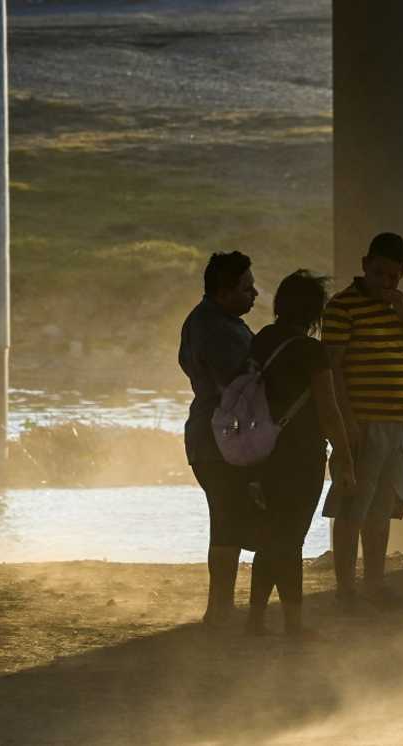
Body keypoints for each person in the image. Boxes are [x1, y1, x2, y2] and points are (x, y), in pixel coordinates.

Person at [321, 233, 403, 611]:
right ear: (365, 263)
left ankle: (374, 585)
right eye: (378, 272)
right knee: (353, 508)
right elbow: (332, 369)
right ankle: (346, 591)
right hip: (363, 423)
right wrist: (346, 422)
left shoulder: (402, 305)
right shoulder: (341, 308)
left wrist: (401, 312)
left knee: (381, 509)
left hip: (398, 423)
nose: (385, 281)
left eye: (393, 275)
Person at [245, 270, 356, 636]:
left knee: (269, 538)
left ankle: (256, 619)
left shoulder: (261, 341)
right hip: (300, 456)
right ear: (313, 312)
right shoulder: (312, 351)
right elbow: (329, 410)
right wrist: (345, 457)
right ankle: (293, 623)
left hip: (260, 454)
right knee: (291, 540)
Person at [179, 250, 257, 627]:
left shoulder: (205, 319)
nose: (254, 294)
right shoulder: (217, 328)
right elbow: (240, 384)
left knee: (227, 516)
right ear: (225, 291)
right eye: (247, 288)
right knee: (226, 518)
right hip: (219, 436)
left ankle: (221, 605)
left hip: (207, 433)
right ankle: (220, 607)